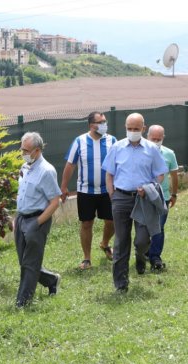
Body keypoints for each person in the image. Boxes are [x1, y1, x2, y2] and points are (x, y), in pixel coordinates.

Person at [102, 113, 168, 293]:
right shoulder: (117, 147)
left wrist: (149, 187)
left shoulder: (152, 149)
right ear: (125, 128)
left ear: (143, 129)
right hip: (121, 198)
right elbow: (109, 173)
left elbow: (161, 173)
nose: (132, 132)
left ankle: (141, 258)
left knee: (141, 240)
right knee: (121, 241)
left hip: (143, 199)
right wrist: (112, 194)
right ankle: (120, 284)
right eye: (129, 129)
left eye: (136, 129)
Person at [60, 111, 117, 270]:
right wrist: (63, 187)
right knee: (86, 223)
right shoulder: (80, 141)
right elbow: (70, 165)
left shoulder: (112, 141)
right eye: (101, 122)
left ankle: (105, 244)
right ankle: (87, 258)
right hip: (86, 191)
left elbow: (119, 163)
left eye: (105, 121)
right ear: (92, 125)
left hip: (108, 190)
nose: (104, 124)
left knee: (112, 221)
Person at [14, 132, 62, 307]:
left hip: (36, 220)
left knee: (30, 263)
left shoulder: (47, 171)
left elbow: (55, 201)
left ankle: (23, 302)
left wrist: (38, 223)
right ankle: (51, 280)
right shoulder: (25, 167)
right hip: (20, 220)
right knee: (24, 261)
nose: (23, 153)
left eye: (26, 150)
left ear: (37, 150)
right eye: (22, 149)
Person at [145, 125, 179, 272]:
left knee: (159, 227)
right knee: (144, 228)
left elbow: (174, 175)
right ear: (147, 136)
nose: (156, 141)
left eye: (159, 139)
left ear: (163, 138)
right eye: (153, 139)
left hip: (162, 196)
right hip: (143, 196)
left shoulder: (169, 154)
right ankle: (144, 251)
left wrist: (174, 194)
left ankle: (155, 257)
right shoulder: (141, 151)